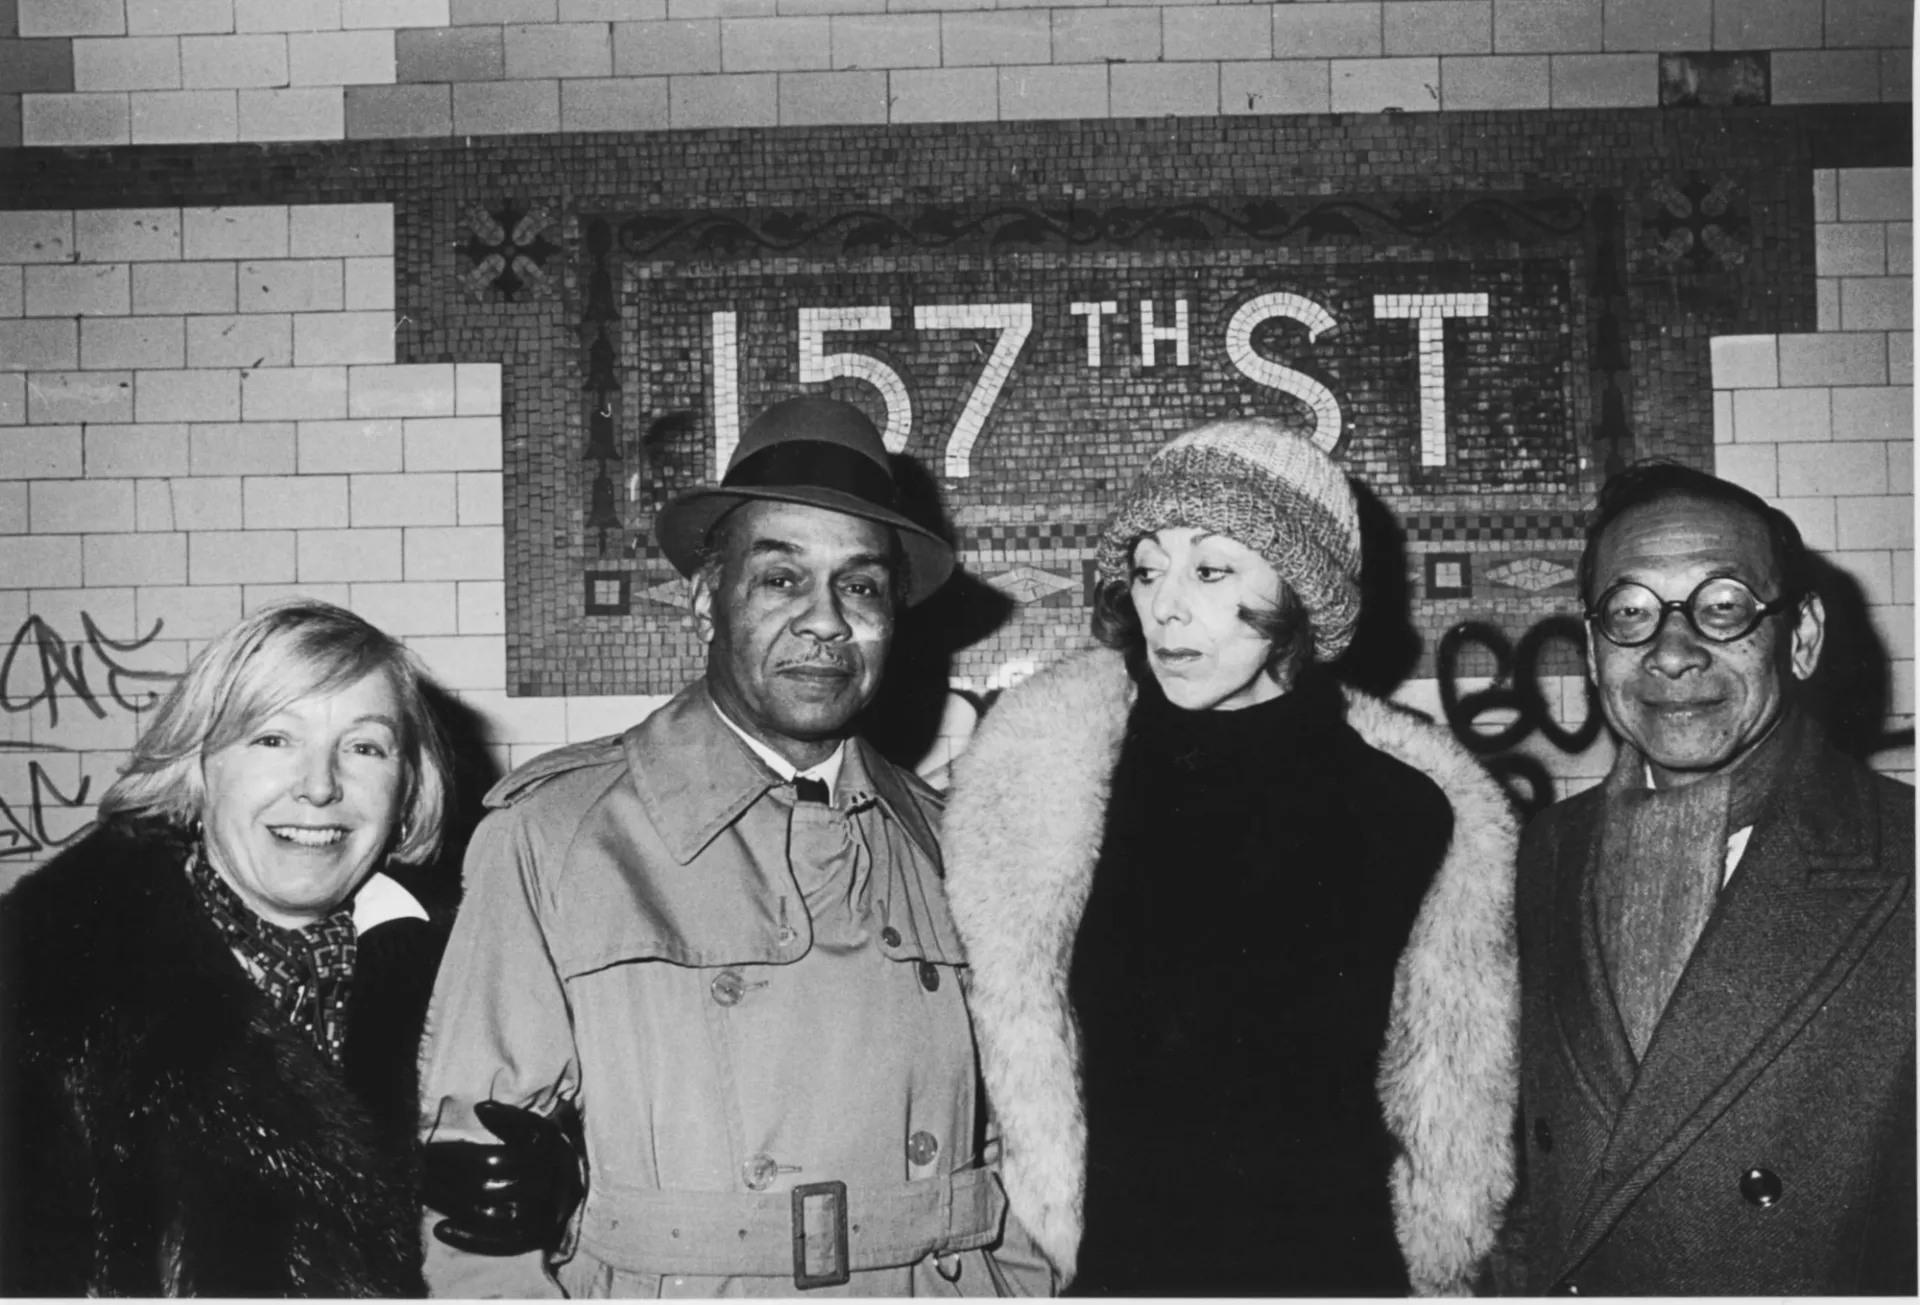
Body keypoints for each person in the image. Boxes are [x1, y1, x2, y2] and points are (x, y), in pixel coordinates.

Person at [417, 396, 1051, 1297]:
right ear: (703, 597)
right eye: (781, 578)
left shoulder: (955, 845)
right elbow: (474, 1201)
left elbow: (1026, 1150)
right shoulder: (558, 837)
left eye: (861, 585)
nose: (826, 620)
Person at [944, 419, 1521, 1295]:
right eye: (1146, 569)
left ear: (1300, 590)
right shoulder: (1052, 792)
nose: (1166, 604)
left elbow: (1451, 1105)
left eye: (1211, 570)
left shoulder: (1409, 811)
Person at [1511, 461, 1915, 1295]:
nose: (1672, 651)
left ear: (1800, 637)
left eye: (1723, 605)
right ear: (1592, 649)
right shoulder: (1544, 852)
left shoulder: (1904, 861)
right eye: (1628, 612)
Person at [0, 600, 455, 1296]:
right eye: (273, 738)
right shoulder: (44, 985)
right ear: (197, 766)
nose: (320, 785)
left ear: (408, 785)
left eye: (365, 746)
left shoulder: (464, 972)